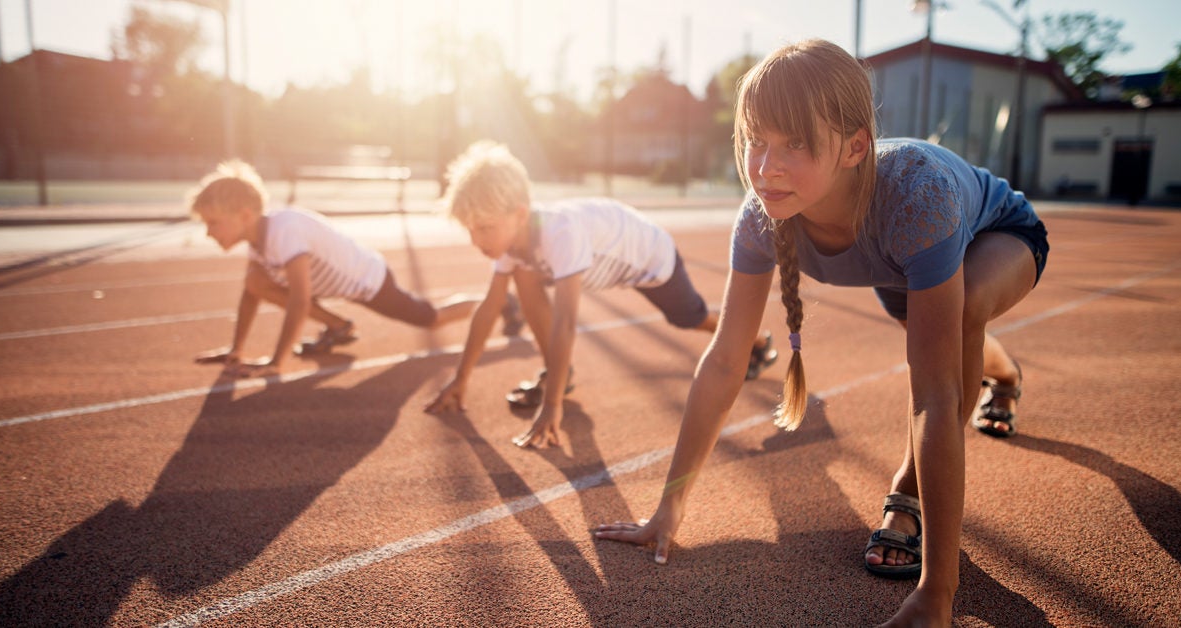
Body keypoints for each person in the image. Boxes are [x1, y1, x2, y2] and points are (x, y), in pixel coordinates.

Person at [592, 39, 1048, 627]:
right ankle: (1004, 373)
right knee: (941, 328)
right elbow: (727, 359)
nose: (767, 165)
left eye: (797, 143)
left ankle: (907, 489)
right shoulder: (761, 215)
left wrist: (938, 594)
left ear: (856, 145)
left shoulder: (917, 198)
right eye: (758, 140)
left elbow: (935, 397)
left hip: (998, 235)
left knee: (958, 324)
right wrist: (668, 507)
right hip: (898, 261)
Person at [423, 141, 779, 448]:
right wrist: (461, 378)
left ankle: (755, 342)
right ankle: (558, 372)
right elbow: (489, 308)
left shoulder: (559, 234)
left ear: (519, 215)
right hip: (611, 254)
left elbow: (565, 324)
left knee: (689, 318)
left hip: (650, 258)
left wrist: (551, 405)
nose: (477, 241)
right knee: (523, 276)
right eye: (471, 230)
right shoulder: (510, 244)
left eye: (484, 228)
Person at [189, 160, 496, 378]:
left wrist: (275, 362)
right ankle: (338, 326)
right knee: (255, 281)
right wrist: (236, 349)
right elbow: (250, 294)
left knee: (431, 319)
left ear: (244, 215)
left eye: (213, 223)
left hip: (369, 280)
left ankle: (498, 304)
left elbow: (299, 299)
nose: (208, 232)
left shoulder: (284, 231)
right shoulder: (258, 239)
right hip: (334, 285)